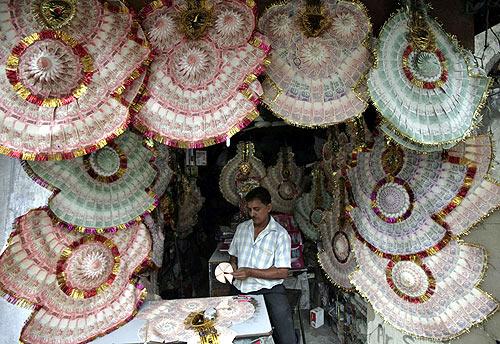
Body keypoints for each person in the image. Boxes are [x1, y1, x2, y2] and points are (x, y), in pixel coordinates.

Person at [228, 186, 297, 344]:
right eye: (250, 209)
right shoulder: (241, 229)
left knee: (286, 334)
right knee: (231, 327)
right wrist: (232, 266)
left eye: (257, 209)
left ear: (269, 207)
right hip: (240, 287)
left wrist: (250, 272)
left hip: (270, 290)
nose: (252, 214)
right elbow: (233, 257)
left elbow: (282, 272)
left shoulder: (280, 235)